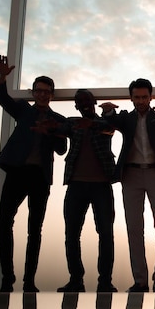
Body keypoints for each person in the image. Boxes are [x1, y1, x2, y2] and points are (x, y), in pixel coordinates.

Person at [0, 55, 67, 292]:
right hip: (17, 172)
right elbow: (3, 98)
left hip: (39, 177)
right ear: (34, 93)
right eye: (39, 91)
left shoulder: (58, 120)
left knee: (34, 229)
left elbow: (62, 149)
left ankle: (29, 281)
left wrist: (49, 132)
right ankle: (7, 277)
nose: (43, 94)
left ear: (52, 94)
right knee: (5, 221)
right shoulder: (24, 111)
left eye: (47, 91)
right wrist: (2, 78)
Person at [100, 78, 155, 293]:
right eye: (137, 97)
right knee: (134, 228)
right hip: (131, 175)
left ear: (150, 97)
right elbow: (110, 124)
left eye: (145, 97)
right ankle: (140, 281)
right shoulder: (126, 118)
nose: (141, 100)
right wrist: (107, 112)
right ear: (131, 98)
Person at [47, 89, 118, 293]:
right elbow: (61, 128)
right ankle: (76, 280)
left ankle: (105, 281)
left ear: (94, 102)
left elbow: (110, 129)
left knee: (105, 233)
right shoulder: (72, 123)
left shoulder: (104, 122)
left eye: (88, 100)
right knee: (71, 234)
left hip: (102, 185)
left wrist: (92, 124)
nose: (85, 104)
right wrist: (51, 128)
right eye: (80, 102)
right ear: (76, 106)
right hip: (76, 185)